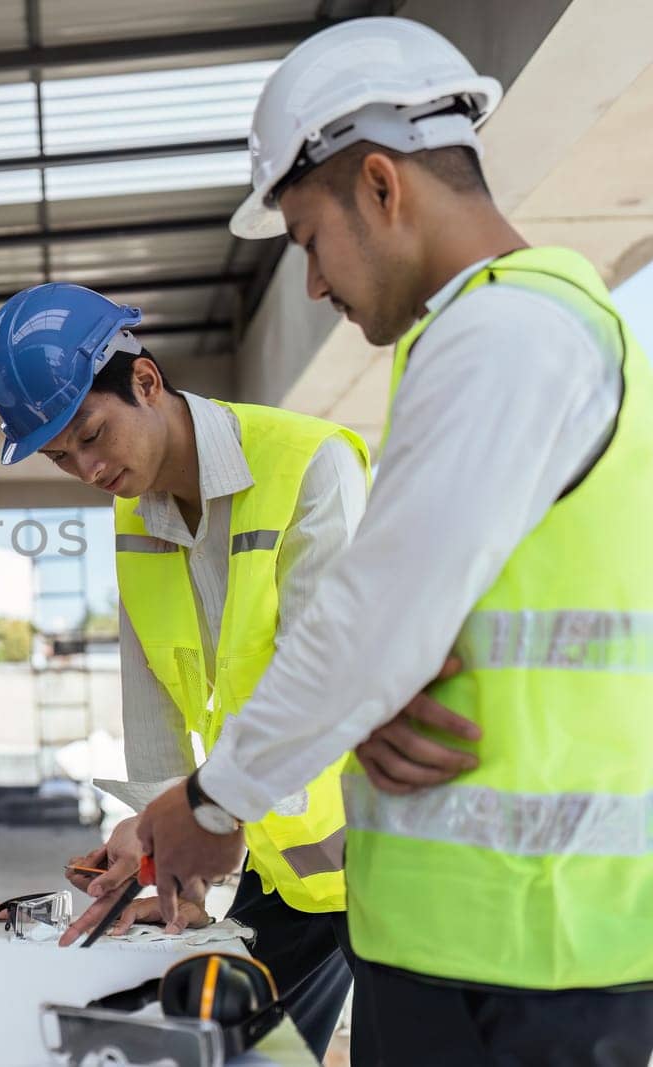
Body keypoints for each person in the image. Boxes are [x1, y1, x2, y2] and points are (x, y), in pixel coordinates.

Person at [130, 17, 653, 1066]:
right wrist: (376, 694)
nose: (313, 284)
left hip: (534, 950)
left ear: (380, 185)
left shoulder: (509, 336)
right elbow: (427, 624)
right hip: (473, 939)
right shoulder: (500, 335)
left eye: (309, 241)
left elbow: (375, 613)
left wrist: (212, 799)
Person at [0, 283, 373, 1059]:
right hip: (287, 869)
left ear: (147, 382)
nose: (87, 467)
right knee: (241, 1054)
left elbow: (325, 700)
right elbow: (153, 713)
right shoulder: (133, 521)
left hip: (386, 867)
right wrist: (159, 852)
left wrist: (198, 816)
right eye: (62, 456)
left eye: (92, 434)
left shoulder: (310, 466)